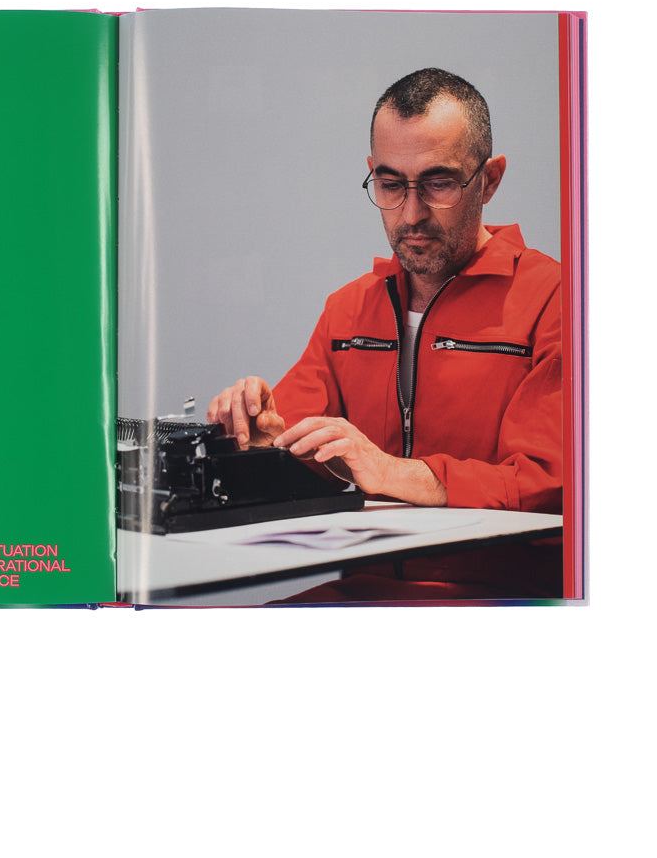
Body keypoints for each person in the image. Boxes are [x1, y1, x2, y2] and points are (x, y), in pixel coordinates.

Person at [206, 68, 562, 600]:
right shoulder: (349, 309)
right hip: (363, 593)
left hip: (501, 600)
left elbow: (550, 485)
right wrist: (261, 443)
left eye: (439, 183)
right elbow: (304, 456)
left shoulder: (558, 298)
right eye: (391, 185)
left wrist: (394, 473)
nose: (411, 214)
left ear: (489, 180)